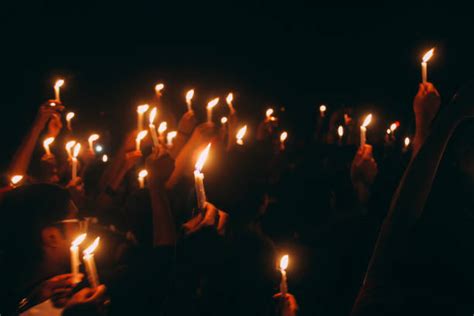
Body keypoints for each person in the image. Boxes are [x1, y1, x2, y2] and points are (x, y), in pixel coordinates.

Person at [0, 184, 107, 315]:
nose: (82, 228)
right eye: (76, 221)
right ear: (51, 237)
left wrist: (28, 301)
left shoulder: (29, 294)